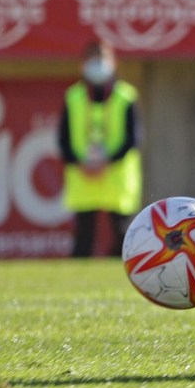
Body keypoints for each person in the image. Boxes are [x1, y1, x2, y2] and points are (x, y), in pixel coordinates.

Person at [58, 40, 142, 258]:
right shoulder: (73, 97)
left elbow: (133, 139)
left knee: (124, 237)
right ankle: (76, 288)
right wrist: (81, 163)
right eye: (92, 60)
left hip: (116, 177)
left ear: (114, 63)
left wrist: (107, 161)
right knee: (83, 239)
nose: (98, 65)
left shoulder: (126, 96)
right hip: (83, 176)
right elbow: (63, 140)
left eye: (102, 59)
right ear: (82, 65)